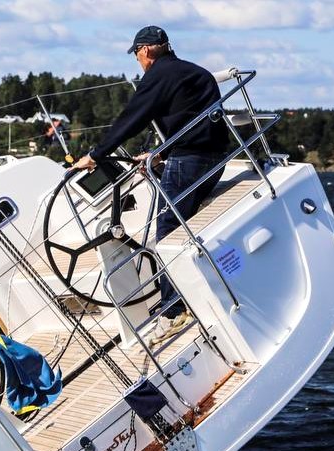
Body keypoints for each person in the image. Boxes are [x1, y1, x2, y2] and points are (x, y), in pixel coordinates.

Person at [72, 25, 229, 345]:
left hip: (189, 161)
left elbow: (132, 118)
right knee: (185, 225)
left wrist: (96, 155)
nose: (139, 62)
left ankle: (174, 310)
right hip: (218, 157)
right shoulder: (195, 72)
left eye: (137, 56)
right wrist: (160, 154)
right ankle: (194, 288)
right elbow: (192, 120)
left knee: (166, 233)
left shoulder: (159, 75)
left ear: (144, 51)